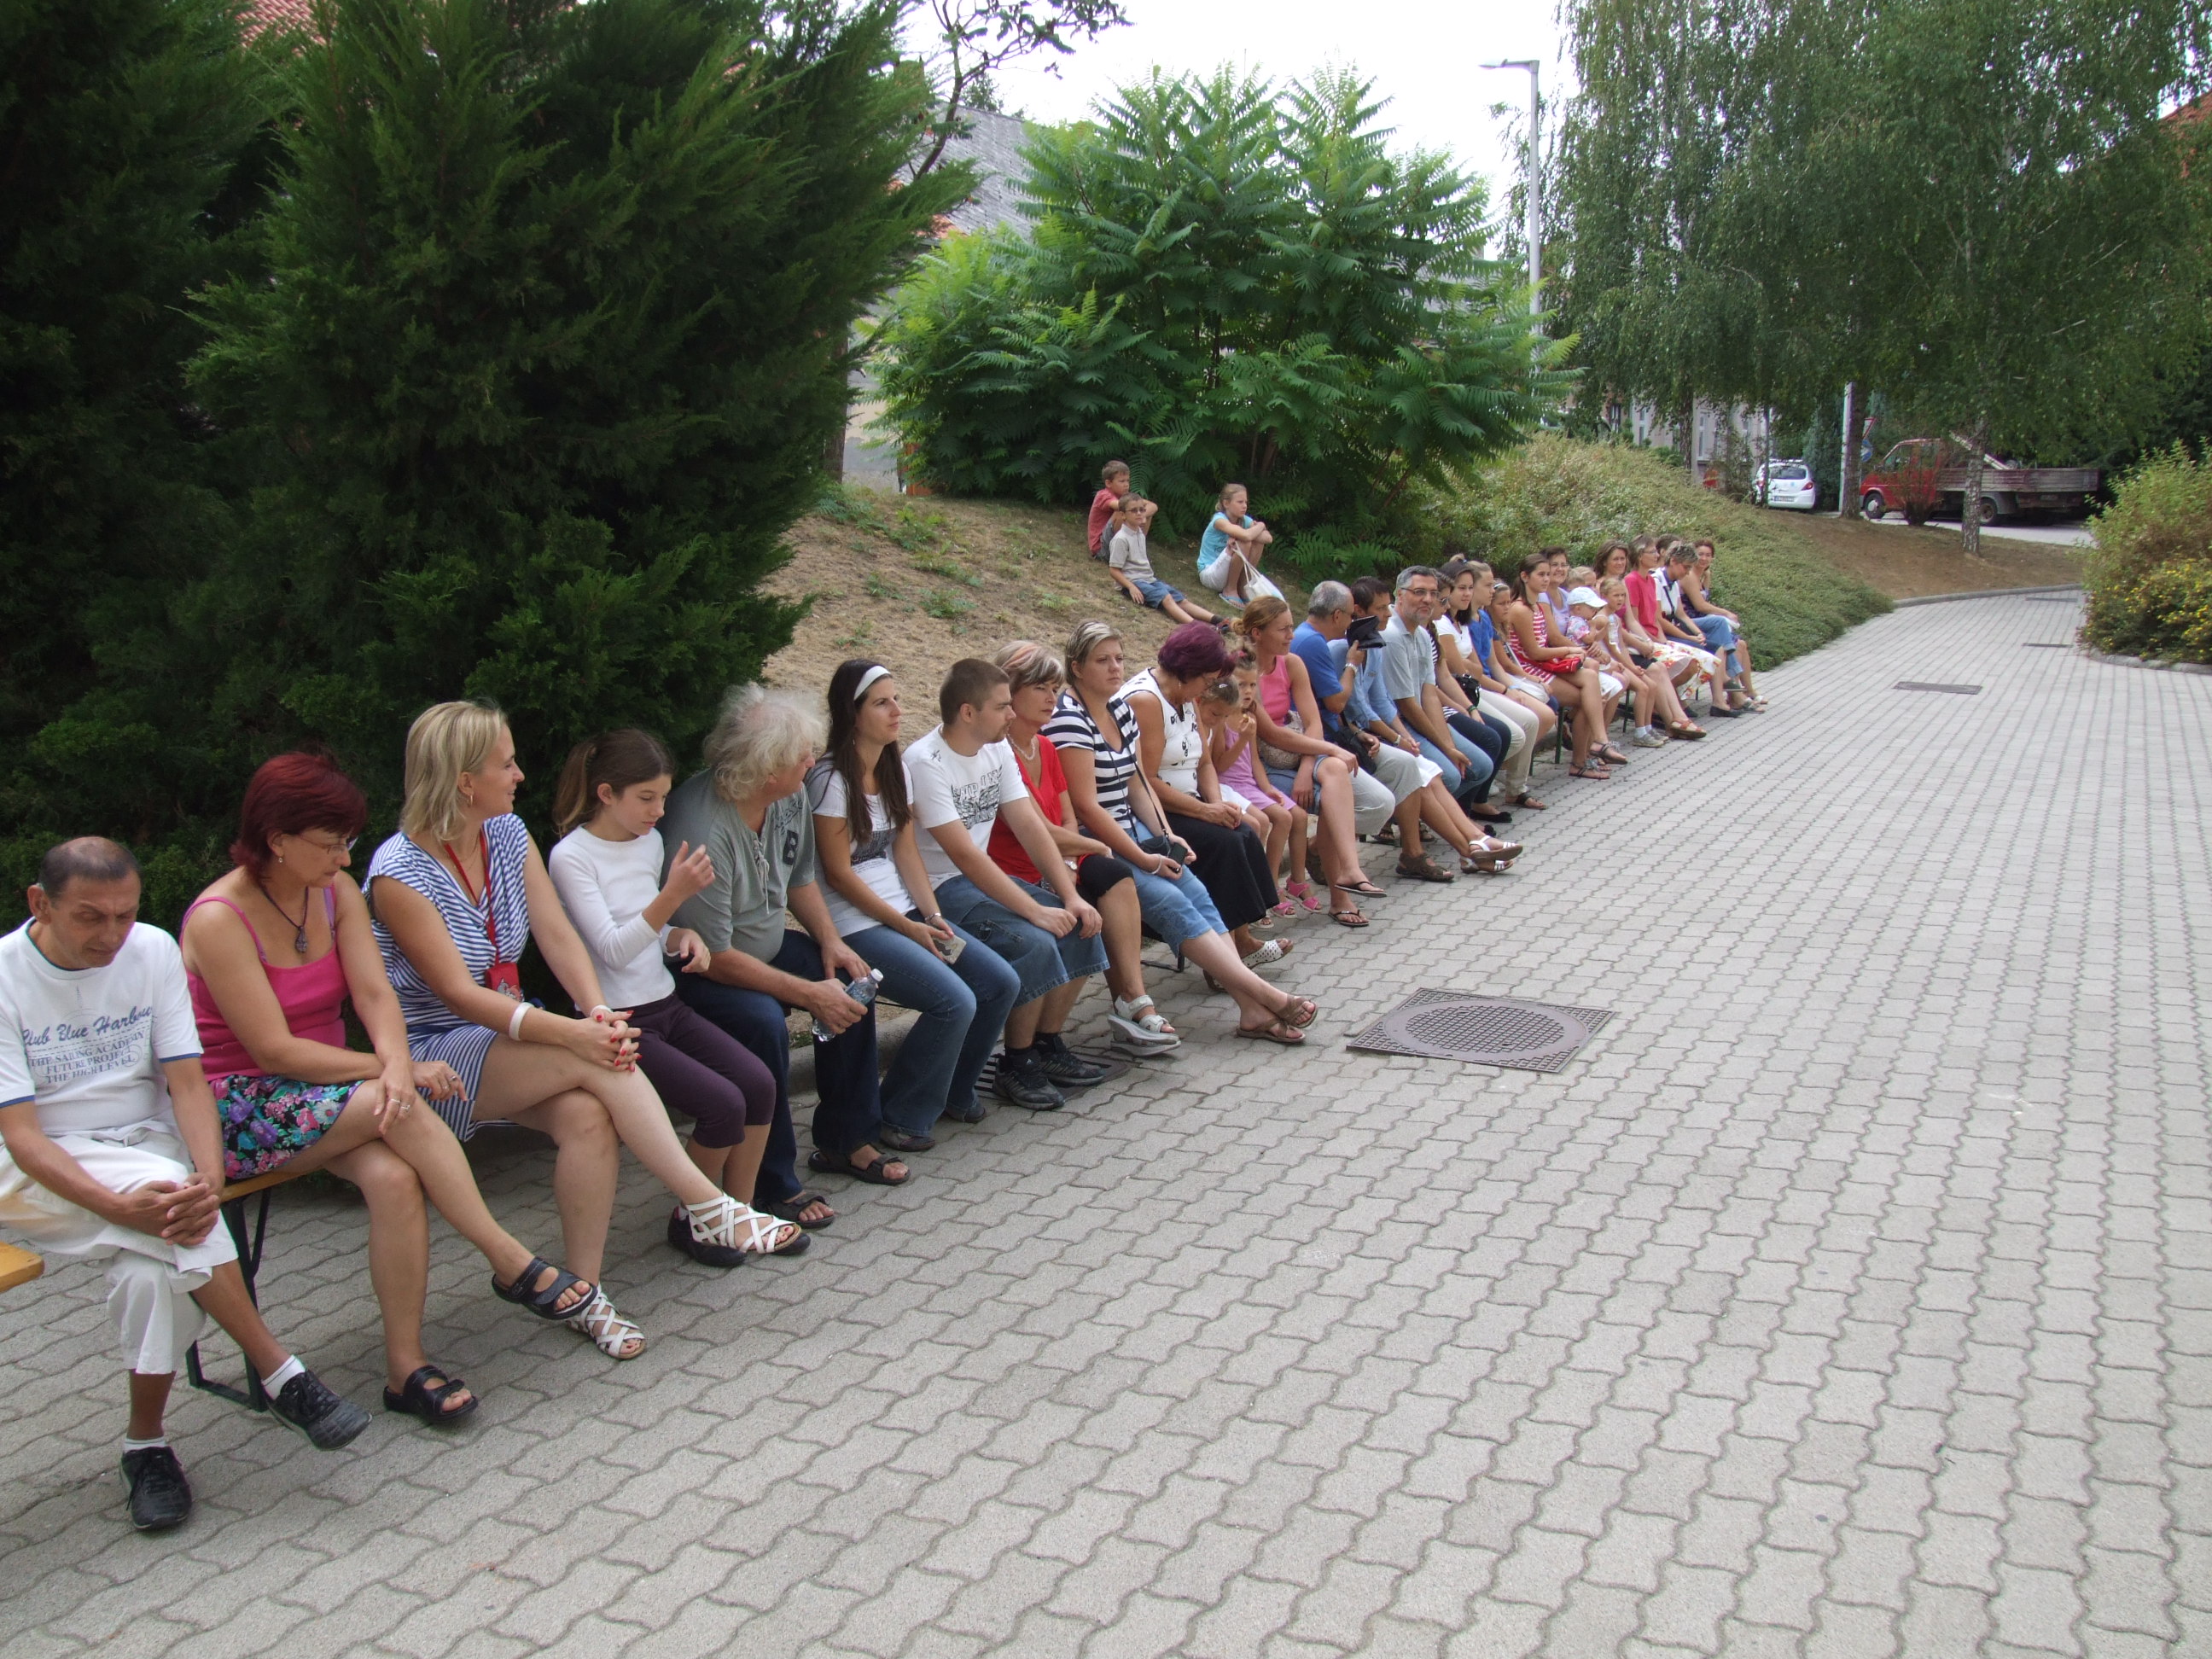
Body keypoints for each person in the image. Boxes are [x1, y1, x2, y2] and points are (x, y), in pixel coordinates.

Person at [185, 754, 597, 1429]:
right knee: (395, 1107)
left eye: (348, 842)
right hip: (242, 1104)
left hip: (329, 1093)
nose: (345, 859)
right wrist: (386, 1073)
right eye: (329, 844)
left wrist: (397, 1062)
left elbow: (376, 996)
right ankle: (508, 1258)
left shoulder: (333, 892)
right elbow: (273, 1051)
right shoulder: (218, 918)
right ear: (277, 840)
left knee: (396, 1178)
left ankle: (404, 1370)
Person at [369, 701, 761, 1364]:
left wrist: (594, 1010)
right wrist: (577, 1034)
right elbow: (457, 994)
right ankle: (706, 1203)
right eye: (506, 764)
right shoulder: (399, 873)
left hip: (506, 1031)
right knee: (595, 1059)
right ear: (464, 781)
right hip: (438, 1048)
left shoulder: (505, 833)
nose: (520, 775)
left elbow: (554, 933)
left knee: (588, 1117)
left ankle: (586, 1293)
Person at [0, 839, 370, 1533]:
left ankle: (145, 1448)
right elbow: (22, 1137)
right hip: (42, 1166)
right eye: (90, 917)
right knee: (170, 1198)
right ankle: (280, 1371)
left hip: (147, 1144)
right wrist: (121, 1208)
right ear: (39, 904)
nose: (112, 934)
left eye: (124, 914)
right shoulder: (3, 977)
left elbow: (188, 1082)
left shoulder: (152, 949)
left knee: (152, 1274)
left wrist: (209, 1178)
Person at [547, 731, 801, 1264]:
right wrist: (673, 898)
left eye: (663, 797)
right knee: (722, 1104)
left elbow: (649, 930)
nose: (660, 811)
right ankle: (698, 1219)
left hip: (665, 1002)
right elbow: (612, 949)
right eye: (647, 798)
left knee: (759, 1084)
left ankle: (738, 1213)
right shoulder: (571, 857)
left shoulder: (648, 842)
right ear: (606, 794)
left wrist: (680, 936)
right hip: (620, 1021)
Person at [660, 687, 907, 1198]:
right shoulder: (705, 831)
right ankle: (771, 1184)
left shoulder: (788, 797)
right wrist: (809, 994)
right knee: (764, 1023)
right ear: (766, 768)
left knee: (851, 980)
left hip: (763, 947)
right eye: (801, 756)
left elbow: (799, 879)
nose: (812, 762)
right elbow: (715, 958)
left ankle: (846, 1139)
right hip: (705, 970)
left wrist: (831, 942)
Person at [1045, 625, 1322, 1046]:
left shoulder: (1117, 710)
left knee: (1196, 893)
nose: (1116, 667)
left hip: (1133, 828)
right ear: (1077, 667)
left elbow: (1137, 783)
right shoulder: (1070, 718)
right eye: (1103, 660)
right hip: (1094, 842)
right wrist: (1143, 856)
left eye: (1118, 657)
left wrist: (1166, 836)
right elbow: (1086, 806)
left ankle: (1250, 1007)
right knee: (1174, 902)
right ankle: (1266, 996)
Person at [808, 661, 1023, 1144]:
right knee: (955, 1001)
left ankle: (953, 1091)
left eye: (897, 699)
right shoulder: (830, 780)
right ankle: (900, 1115)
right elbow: (839, 875)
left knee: (998, 982)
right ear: (852, 712)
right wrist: (908, 926)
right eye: (882, 703)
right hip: (857, 925)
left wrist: (932, 916)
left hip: (906, 914)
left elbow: (906, 852)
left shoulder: (894, 770)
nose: (897, 711)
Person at [904, 660, 1113, 1110]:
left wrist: (1070, 897)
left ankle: (1045, 1044)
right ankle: (1016, 1062)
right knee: (1035, 941)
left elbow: (1029, 825)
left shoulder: (995, 749)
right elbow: (963, 855)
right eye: (1002, 707)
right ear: (968, 712)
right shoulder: (925, 762)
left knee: (1081, 924)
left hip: (977, 880)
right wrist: (1036, 911)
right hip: (939, 889)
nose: (1012, 715)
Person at [990, 641, 1182, 1054]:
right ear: (1010, 693)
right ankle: (1029, 1049)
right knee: (1083, 916)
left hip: (1055, 857)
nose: (1052, 698)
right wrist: (1093, 845)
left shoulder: (1043, 746)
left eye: (1054, 687)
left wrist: (1076, 855)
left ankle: (1126, 1002)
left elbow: (1065, 819)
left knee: (1114, 877)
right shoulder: (998, 754)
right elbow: (1036, 830)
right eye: (1040, 688)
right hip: (1015, 868)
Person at [1119, 622, 1289, 967]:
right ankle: (1226, 956)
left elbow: (1205, 762)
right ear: (1188, 670)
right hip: (1150, 809)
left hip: (1188, 800)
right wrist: (1204, 812)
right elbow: (1146, 780)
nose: (1209, 687)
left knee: (1243, 830)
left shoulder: (1187, 697)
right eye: (1207, 680)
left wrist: (1216, 804)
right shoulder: (1146, 700)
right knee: (1223, 843)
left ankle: (1238, 942)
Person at [1238, 597, 1403, 924]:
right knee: (1335, 788)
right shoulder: (1242, 670)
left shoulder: (1292, 663)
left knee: (1349, 782)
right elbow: (1270, 733)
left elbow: (1312, 721)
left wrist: (1306, 767)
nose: (1291, 635)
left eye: (1291, 627)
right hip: (1264, 761)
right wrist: (1331, 749)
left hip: (1301, 751)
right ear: (1257, 633)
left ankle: (1350, 870)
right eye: (1283, 629)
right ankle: (1341, 897)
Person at [1342, 581, 1522, 876]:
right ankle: (1468, 850)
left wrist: (1405, 737)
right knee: (1417, 773)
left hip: (1380, 732)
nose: (1387, 613)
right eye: (1381, 608)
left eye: (1434, 594)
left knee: (1431, 773)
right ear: (1358, 612)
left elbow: (1383, 701)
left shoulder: (1375, 644)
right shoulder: (1350, 647)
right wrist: (1399, 737)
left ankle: (1474, 841)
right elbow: (1359, 708)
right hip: (1357, 737)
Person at [1287, 583, 1453, 859]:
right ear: (1337, 615)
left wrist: (1358, 732)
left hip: (1337, 734)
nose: (1352, 622)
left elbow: (1341, 709)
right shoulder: (1315, 643)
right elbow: (1337, 703)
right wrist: (1352, 664)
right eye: (1350, 615)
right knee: (1379, 804)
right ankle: (1318, 849)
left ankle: (1413, 854)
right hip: (1319, 744)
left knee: (1406, 765)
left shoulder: (1314, 639)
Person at [1380, 568, 1499, 836]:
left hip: (1418, 717)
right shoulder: (1392, 634)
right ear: (1400, 595)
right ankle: (1411, 819)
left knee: (1480, 766)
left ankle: (1446, 821)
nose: (1428, 599)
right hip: (1395, 724)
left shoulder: (1423, 634)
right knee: (1451, 775)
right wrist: (1444, 748)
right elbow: (1406, 704)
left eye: (1433, 594)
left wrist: (1448, 745)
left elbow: (1429, 693)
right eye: (1419, 592)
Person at [1437, 560, 1549, 810]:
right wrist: (1496, 687)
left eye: (1469, 588)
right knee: (1507, 735)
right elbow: (1459, 671)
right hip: (1458, 692)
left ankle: (1513, 789)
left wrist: (1507, 687)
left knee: (1530, 721)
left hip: (1471, 687)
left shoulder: (1463, 622)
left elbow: (1477, 667)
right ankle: (1477, 796)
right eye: (1461, 588)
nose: (1467, 593)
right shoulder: (1441, 624)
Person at [1199, 664, 1301, 912]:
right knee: (1270, 820)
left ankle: (1275, 885)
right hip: (1230, 784)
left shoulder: (1249, 719)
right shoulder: (1222, 721)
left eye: (1253, 685)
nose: (1247, 691)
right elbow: (1218, 764)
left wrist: (1267, 787)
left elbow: (1254, 760)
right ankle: (1264, 890)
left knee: (1295, 816)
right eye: (1242, 684)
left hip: (1249, 784)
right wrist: (1243, 738)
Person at [1501, 563, 1613, 779]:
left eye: (1547, 574)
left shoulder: (1540, 607)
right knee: (1589, 700)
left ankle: (1596, 745)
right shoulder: (1520, 609)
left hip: (1544, 663)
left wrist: (1574, 653)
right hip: (1527, 668)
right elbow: (1533, 652)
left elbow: (1549, 641)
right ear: (1525, 576)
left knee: (1591, 677)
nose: (1546, 579)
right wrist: (1570, 650)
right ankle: (1586, 755)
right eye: (1540, 574)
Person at [1600, 576, 1706, 739]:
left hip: (1624, 656)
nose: (1620, 599)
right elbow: (1612, 648)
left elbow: (1621, 644)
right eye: (1616, 596)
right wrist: (1630, 665)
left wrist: (1645, 646)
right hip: (1612, 661)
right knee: (1646, 683)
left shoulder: (1615, 618)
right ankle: (1620, 735)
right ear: (1603, 596)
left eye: (1623, 595)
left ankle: (1656, 726)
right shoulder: (1603, 618)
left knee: (1653, 680)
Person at [1107, 496, 1219, 626]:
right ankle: (1198, 627)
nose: (1139, 513)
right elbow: (1114, 570)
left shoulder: (1140, 533)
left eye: (1142, 510)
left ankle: (1219, 621)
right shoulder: (1121, 539)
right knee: (1167, 598)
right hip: (1133, 582)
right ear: (1123, 515)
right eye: (1133, 510)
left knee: (1181, 600)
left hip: (1149, 580)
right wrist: (1131, 587)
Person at [1685, 539, 1767, 709]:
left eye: (1708, 555)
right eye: (1700, 554)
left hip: (1703, 621)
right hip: (1691, 623)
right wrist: (1725, 613)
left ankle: (1746, 691)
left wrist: (1707, 578)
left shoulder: (1703, 575)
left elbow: (1706, 601)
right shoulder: (1689, 576)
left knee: (1741, 644)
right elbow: (1700, 605)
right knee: (1728, 638)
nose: (1704, 559)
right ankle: (1735, 694)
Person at [1196, 483, 1282, 605]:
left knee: (1257, 542)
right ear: (1226, 503)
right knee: (1245, 542)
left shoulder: (1244, 520)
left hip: (1227, 572)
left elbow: (1268, 538)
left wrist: (1253, 531)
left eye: (1246, 502)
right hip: (1210, 574)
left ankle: (1242, 588)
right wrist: (1261, 525)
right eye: (1240, 502)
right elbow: (1246, 536)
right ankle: (1229, 590)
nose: (1244, 506)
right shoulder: (1219, 520)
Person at [1086, 459, 1132, 560]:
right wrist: (1141, 507)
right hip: (1101, 549)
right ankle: (1120, 552)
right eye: (1122, 481)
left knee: (1140, 513)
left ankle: (1134, 549)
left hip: (1111, 542)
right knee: (1122, 511)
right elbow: (1123, 506)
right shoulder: (1103, 495)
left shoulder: (1124, 497)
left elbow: (1153, 507)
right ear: (1108, 483)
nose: (1126, 484)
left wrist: (1143, 510)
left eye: (1128, 481)